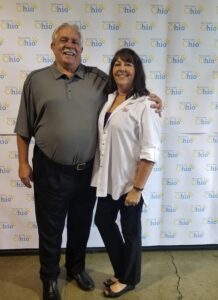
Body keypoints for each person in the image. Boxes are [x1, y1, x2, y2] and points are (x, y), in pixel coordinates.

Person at [14, 23, 162, 300]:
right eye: (63, 40)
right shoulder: (35, 80)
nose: (69, 45)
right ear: (53, 46)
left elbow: (127, 89)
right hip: (49, 169)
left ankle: (75, 268)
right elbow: (23, 128)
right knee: (50, 228)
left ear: (82, 48)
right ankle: (48, 277)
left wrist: (153, 99)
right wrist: (23, 163)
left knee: (81, 225)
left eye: (75, 41)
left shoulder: (98, 79)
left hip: (87, 173)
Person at [91, 48, 161, 298]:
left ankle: (129, 279)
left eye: (128, 64)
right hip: (108, 181)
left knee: (131, 232)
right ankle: (124, 272)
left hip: (130, 183)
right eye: (117, 63)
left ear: (137, 70)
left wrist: (138, 189)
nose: (121, 68)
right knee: (102, 221)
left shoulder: (146, 104)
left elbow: (150, 150)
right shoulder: (109, 99)